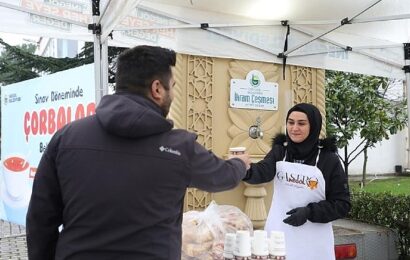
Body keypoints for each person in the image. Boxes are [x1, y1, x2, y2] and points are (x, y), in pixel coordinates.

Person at [26, 45, 251, 260]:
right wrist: (240, 163)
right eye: (172, 86)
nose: (172, 94)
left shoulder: (67, 137)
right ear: (157, 89)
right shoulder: (180, 147)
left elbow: (40, 219)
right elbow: (222, 176)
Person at [242, 103, 351, 260]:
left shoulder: (328, 160)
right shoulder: (281, 152)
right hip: (279, 236)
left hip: (314, 242)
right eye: (290, 122)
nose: (294, 128)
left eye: (301, 123)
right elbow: (263, 172)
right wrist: (242, 169)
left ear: (313, 126)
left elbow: (342, 204)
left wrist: (309, 212)